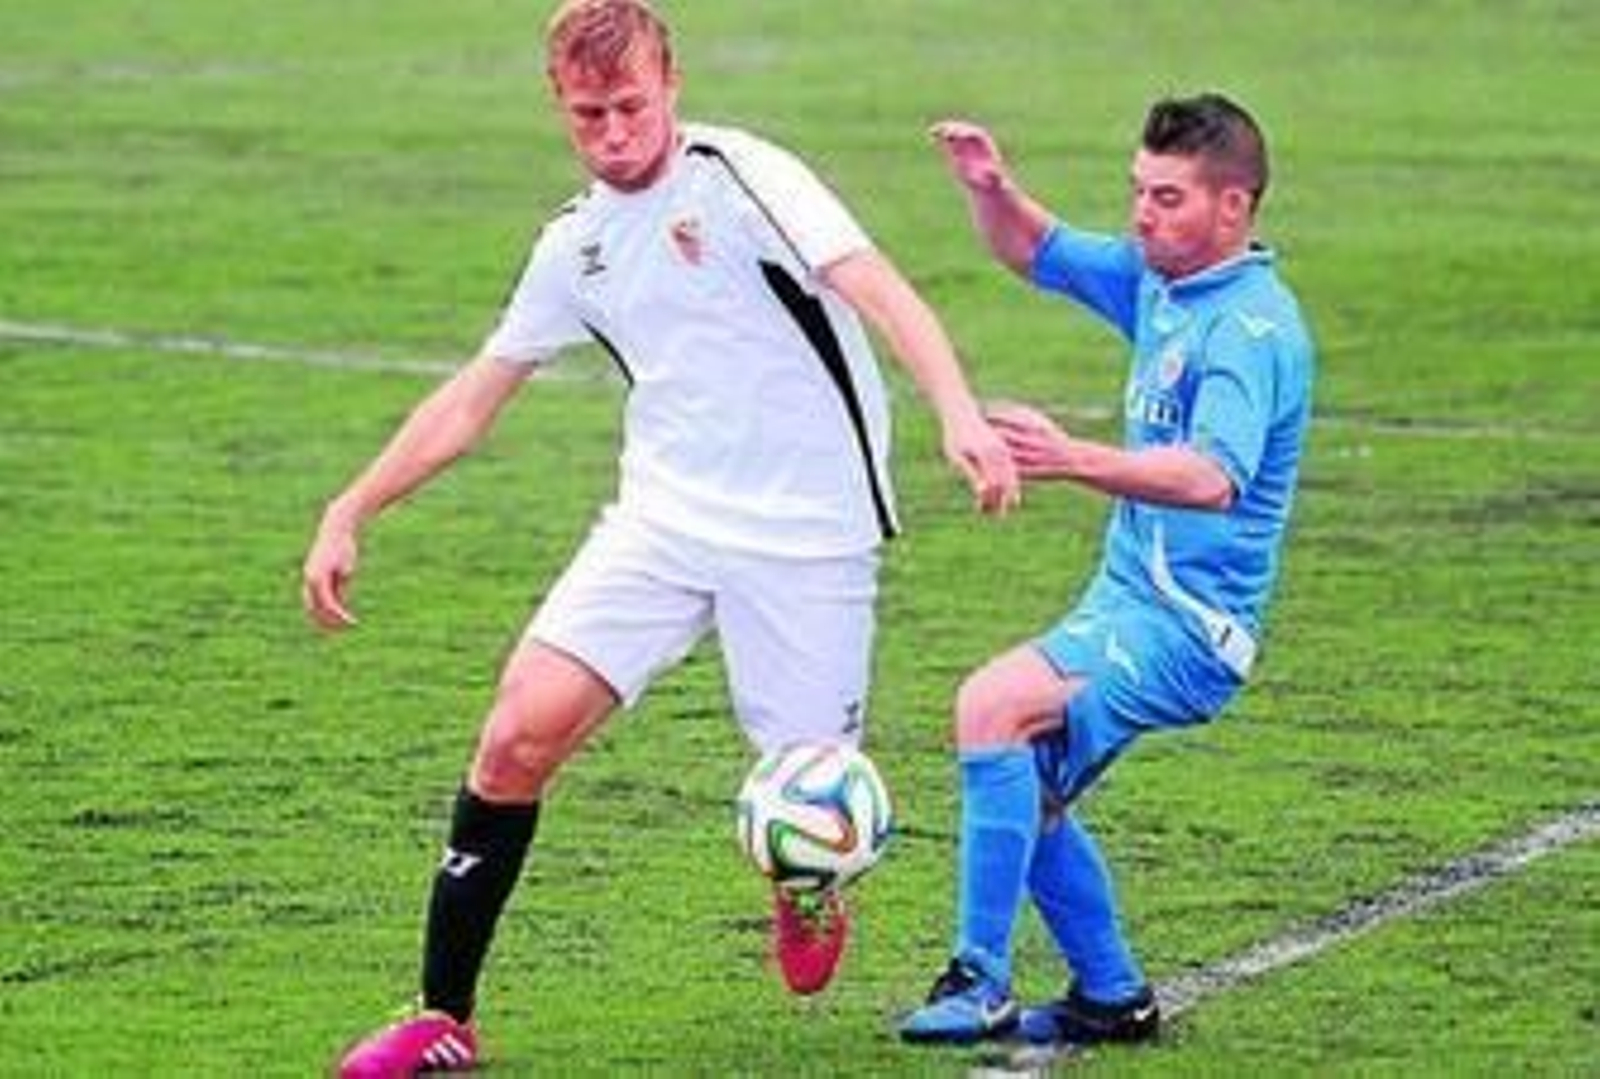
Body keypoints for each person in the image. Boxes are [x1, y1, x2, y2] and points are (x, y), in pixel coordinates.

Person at [301, 1, 1019, 1075]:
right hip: (663, 520)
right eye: (590, 113)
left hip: (808, 538)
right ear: (561, 108)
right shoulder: (573, 243)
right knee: (513, 737)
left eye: (631, 105)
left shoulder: (745, 178)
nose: (615, 132)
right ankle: (442, 1013)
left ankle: (804, 886)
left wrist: (958, 412)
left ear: (670, 88)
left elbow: (882, 293)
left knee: (807, 797)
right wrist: (350, 506)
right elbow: (473, 398)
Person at [898, 94, 1315, 1051]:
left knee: (989, 707)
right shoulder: (1162, 281)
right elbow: (1032, 250)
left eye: (1167, 197)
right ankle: (1112, 997)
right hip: (1131, 599)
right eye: (1137, 191)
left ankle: (978, 978)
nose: (1141, 214)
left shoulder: (1249, 333)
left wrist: (1068, 457)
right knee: (1025, 784)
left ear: (1234, 208)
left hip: (1189, 624)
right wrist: (992, 188)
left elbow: (1213, 479)